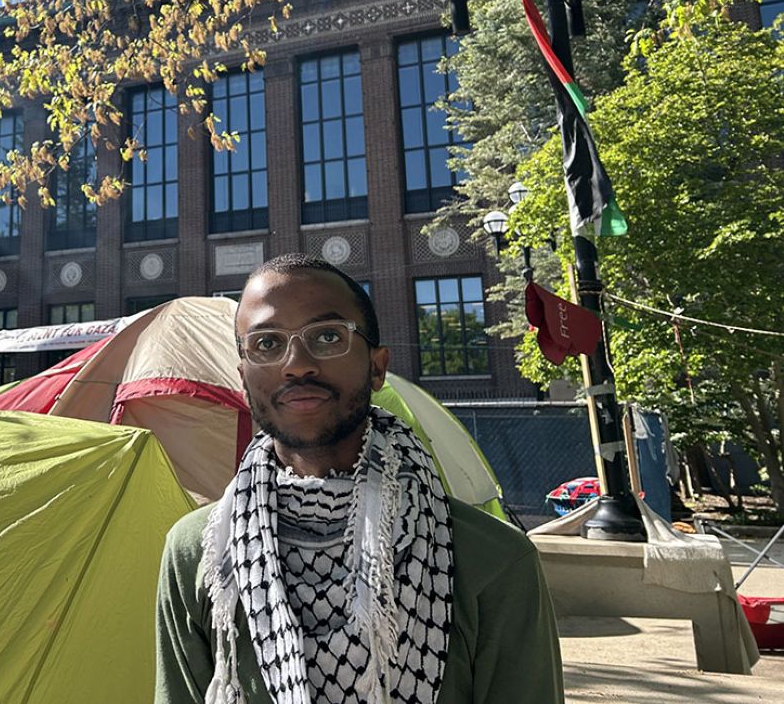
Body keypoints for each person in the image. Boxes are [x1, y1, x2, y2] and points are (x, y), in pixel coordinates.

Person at [155, 253, 563, 704]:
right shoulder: (197, 555)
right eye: (267, 344)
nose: (297, 364)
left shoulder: (492, 562)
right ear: (244, 377)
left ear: (377, 367)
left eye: (328, 336)